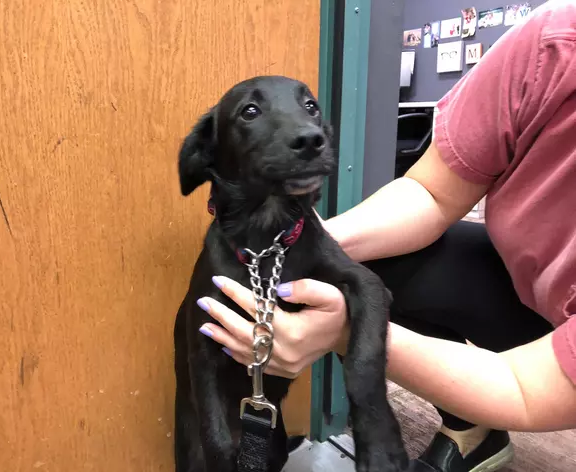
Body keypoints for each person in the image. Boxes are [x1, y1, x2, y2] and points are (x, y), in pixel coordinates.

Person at [193, 1, 576, 471]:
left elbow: (528, 388)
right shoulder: (552, 44)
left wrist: (348, 340)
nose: (308, 132)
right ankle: (475, 429)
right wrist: (308, 249)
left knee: (357, 291)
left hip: (554, 370)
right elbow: (431, 195)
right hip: (534, 291)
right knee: (365, 267)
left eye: (310, 111)